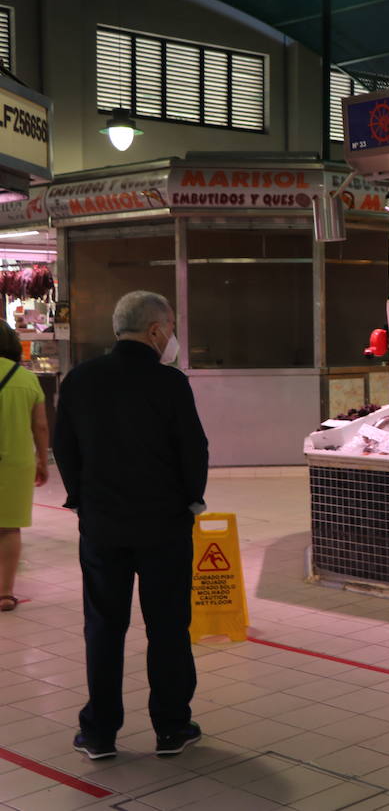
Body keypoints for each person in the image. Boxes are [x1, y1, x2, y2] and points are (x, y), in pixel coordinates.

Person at [53, 291, 208, 761]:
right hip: (163, 528)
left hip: (103, 527)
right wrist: (191, 500)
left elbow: (65, 446)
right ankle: (172, 727)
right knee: (167, 627)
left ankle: (100, 733)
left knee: (103, 626)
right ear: (157, 330)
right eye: (171, 328)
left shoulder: (80, 380)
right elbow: (193, 449)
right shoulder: (169, 383)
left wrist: (82, 499)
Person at [0, 321, 47, 612]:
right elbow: (40, 425)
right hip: (16, 462)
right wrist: (43, 460)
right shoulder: (27, 379)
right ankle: (5, 592)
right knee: (8, 528)